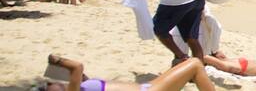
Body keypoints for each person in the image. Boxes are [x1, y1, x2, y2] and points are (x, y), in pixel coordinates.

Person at [41, 54, 215, 91]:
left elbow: (81, 74)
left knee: (189, 64)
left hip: (147, 87)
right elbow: (77, 67)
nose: (50, 84)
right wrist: (57, 60)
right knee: (195, 64)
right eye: (49, 88)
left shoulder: (81, 86)